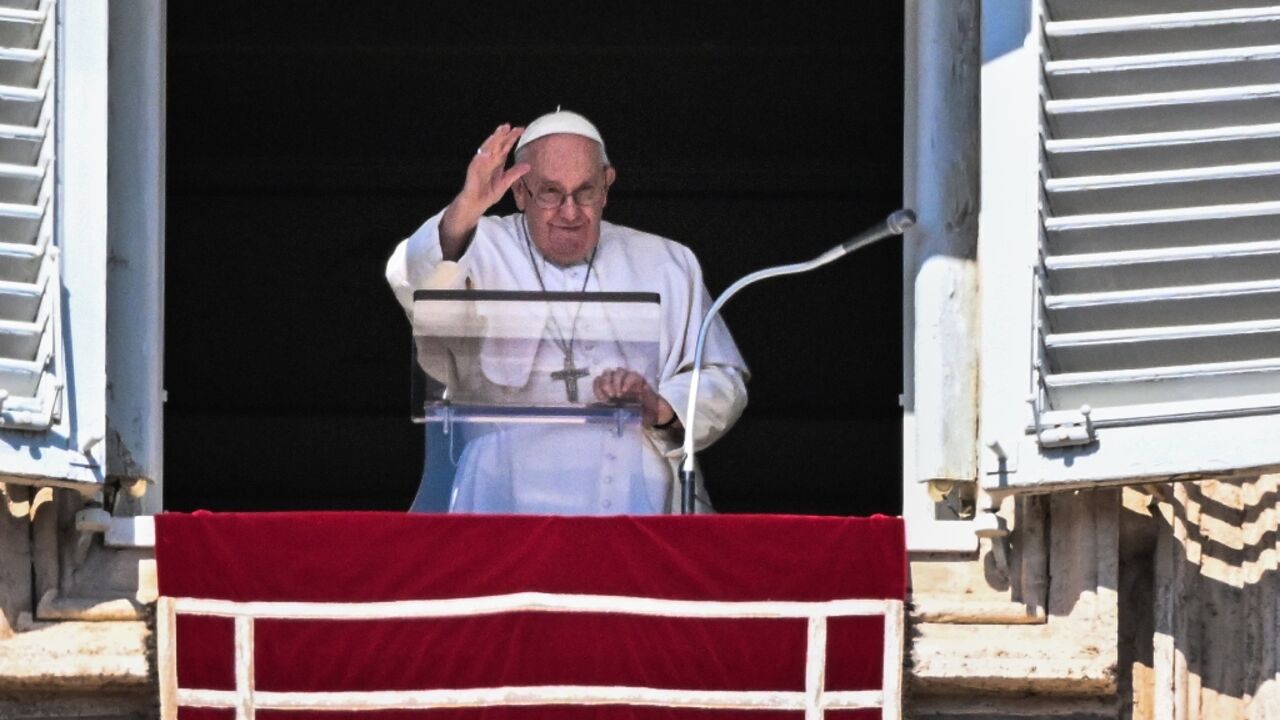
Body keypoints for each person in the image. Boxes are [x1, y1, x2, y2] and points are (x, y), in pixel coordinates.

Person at [386, 109, 747, 514]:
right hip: (502, 497)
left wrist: (661, 406)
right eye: (551, 193)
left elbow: (723, 377)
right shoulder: (475, 242)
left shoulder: (667, 261)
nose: (571, 212)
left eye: (586, 191)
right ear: (520, 191)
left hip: (636, 500)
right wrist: (467, 207)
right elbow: (413, 281)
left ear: (607, 186)